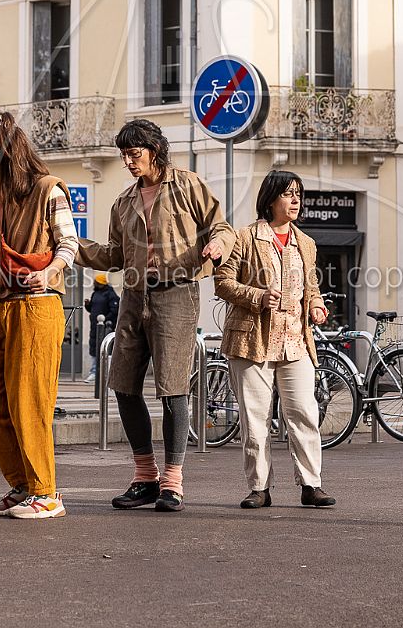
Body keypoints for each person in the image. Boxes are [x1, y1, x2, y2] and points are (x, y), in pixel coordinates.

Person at [76, 119, 234, 513]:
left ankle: (173, 482)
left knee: (172, 389)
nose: (128, 162)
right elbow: (113, 254)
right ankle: (145, 477)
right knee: (123, 385)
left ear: (154, 150)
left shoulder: (187, 185)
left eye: (134, 154)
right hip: (133, 295)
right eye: (124, 155)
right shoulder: (123, 202)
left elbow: (221, 226)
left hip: (177, 292)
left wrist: (217, 244)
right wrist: (69, 247)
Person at [0, 113, 76, 519]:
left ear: (6, 158)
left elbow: (69, 243)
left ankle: (46, 493)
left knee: (29, 402)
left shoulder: (48, 189)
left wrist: (50, 271)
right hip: (2, 305)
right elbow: (3, 254)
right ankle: (23, 485)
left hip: (38, 306)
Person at [213, 170, 335, 509]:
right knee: (256, 419)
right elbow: (222, 282)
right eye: (288, 194)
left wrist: (317, 305)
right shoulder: (245, 237)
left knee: (304, 413)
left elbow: (311, 287)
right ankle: (259, 488)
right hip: (252, 341)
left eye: (298, 194)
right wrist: (257, 296)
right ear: (270, 200)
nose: (295, 200)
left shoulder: (305, 243)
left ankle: (311, 485)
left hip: (296, 341)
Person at [86, 272, 120, 381]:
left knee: (104, 348)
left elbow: (115, 310)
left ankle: (101, 372)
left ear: (101, 283)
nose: (94, 283)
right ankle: (94, 371)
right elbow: (92, 309)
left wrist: (106, 319)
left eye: (96, 282)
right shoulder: (95, 293)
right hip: (94, 325)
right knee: (94, 346)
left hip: (105, 326)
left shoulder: (110, 294)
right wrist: (88, 305)